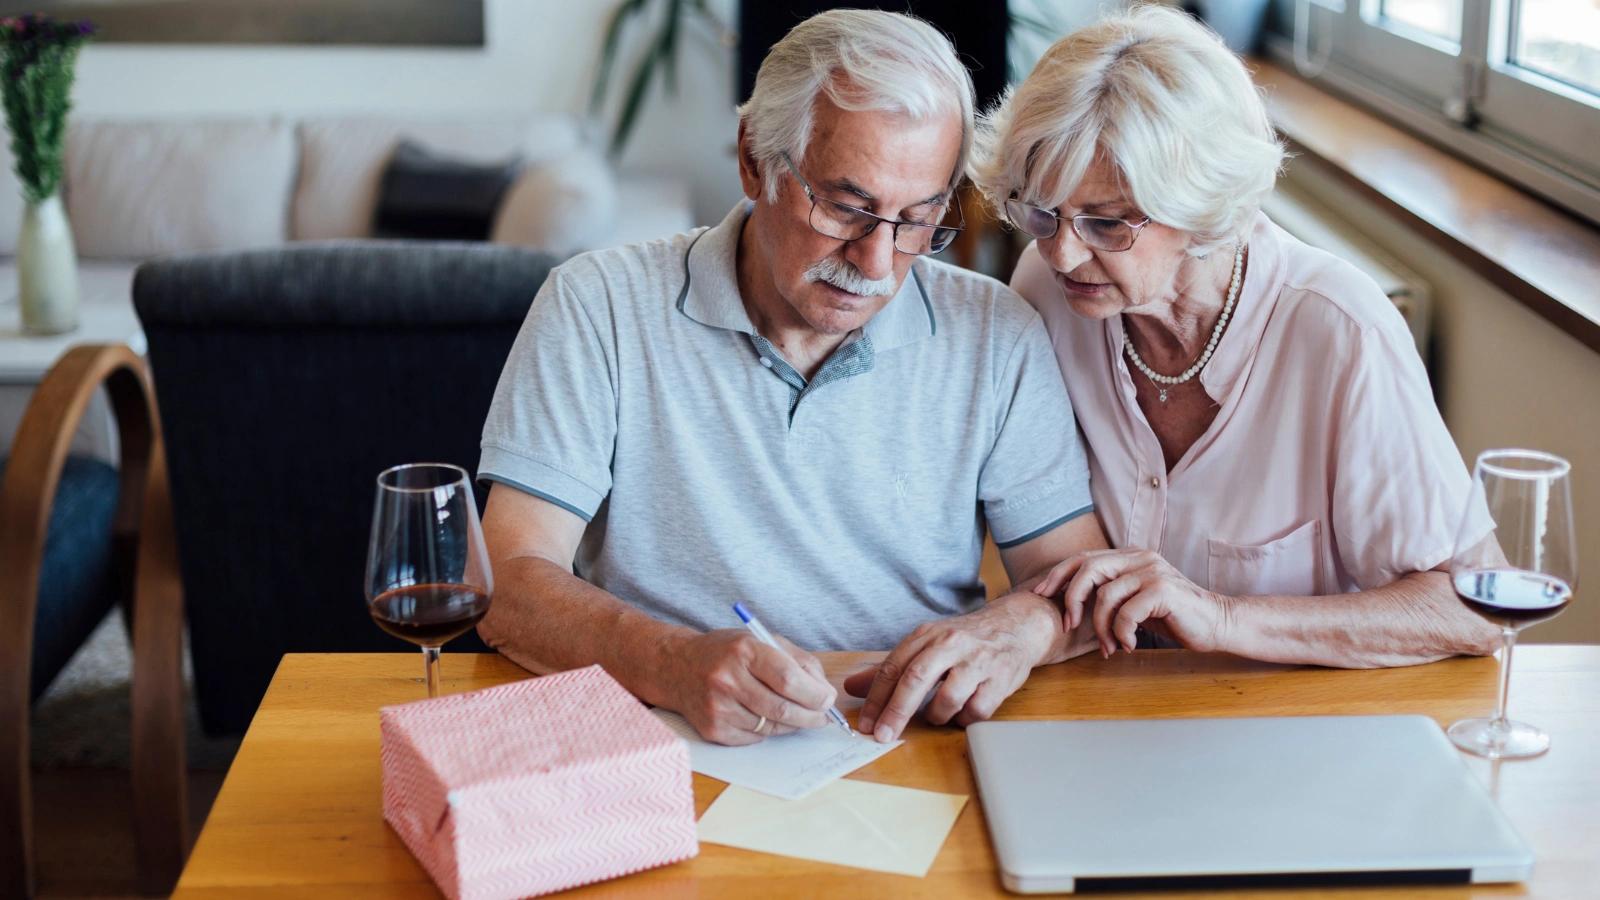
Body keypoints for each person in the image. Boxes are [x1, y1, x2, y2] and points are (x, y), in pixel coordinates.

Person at [476, 9, 1104, 747]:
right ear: (753, 159)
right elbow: (508, 580)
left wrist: (1018, 628)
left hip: (908, 740)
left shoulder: (997, 335)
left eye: (917, 220)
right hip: (657, 735)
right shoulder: (597, 305)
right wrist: (671, 662)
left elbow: (1076, 585)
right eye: (846, 208)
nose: (876, 264)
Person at [968, 5, 1499, 668]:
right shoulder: (1046, 291)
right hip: (1114, 698)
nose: (1063, 254)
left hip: (1299, 711)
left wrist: (1222, 617)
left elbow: (1475, 608)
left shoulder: (1340, 332)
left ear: (1203, 207)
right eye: (1043, 213)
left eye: (1107, 224)